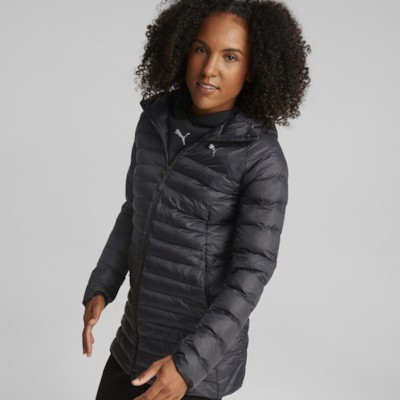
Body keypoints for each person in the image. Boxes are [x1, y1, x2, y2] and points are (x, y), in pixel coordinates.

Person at [81, 1, 311, 399]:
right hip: (132, 347)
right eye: (201, 49)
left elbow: (251, 273)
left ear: (252, 69)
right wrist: (102, 285)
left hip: (195, 371)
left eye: (230, 56)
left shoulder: (260, 158)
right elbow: (134, 212)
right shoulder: (154, 123)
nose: (209, 69)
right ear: (183, 48)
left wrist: (187, 367)